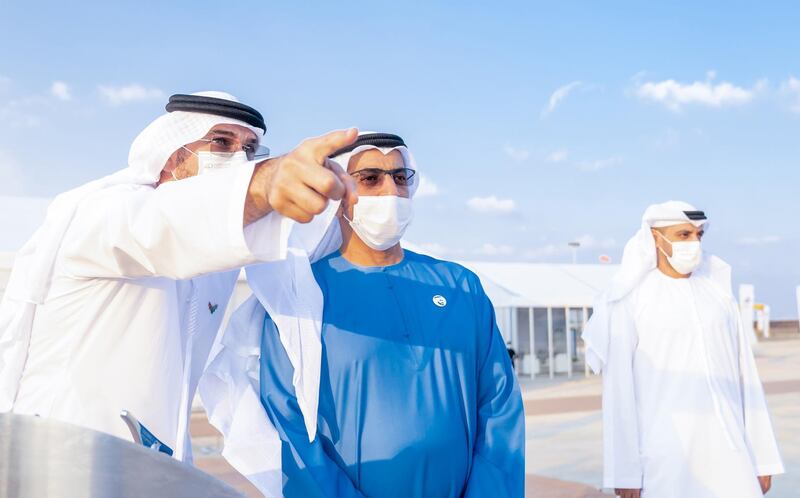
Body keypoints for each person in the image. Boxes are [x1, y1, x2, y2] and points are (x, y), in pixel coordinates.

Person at [0, 91, 358, 460]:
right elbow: (163, 224)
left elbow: (294, 249)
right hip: (58, 461)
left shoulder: (212, 255)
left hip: (155, 467)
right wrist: (267, 183)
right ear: (172, 156)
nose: (239, 158)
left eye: (250, 150)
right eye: (221, 142)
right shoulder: (102, 215)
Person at [200, 132, 525, 498]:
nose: (390, 190)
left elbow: (499, 407)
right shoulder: (300, 298)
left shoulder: (460, 287)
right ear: (337, 197)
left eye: (400, 177)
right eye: (371, 178)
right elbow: (290, 430)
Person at [582, 201, 784, 498]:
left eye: (698, 235)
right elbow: (619, 393)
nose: (694, 243)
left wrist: (763, 456)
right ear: (655, 238)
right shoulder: (629, 302)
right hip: (665, 459)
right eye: (683, 235)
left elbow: (747, 380)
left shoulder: (718, 296)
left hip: (731, 452)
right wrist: (625, 472)